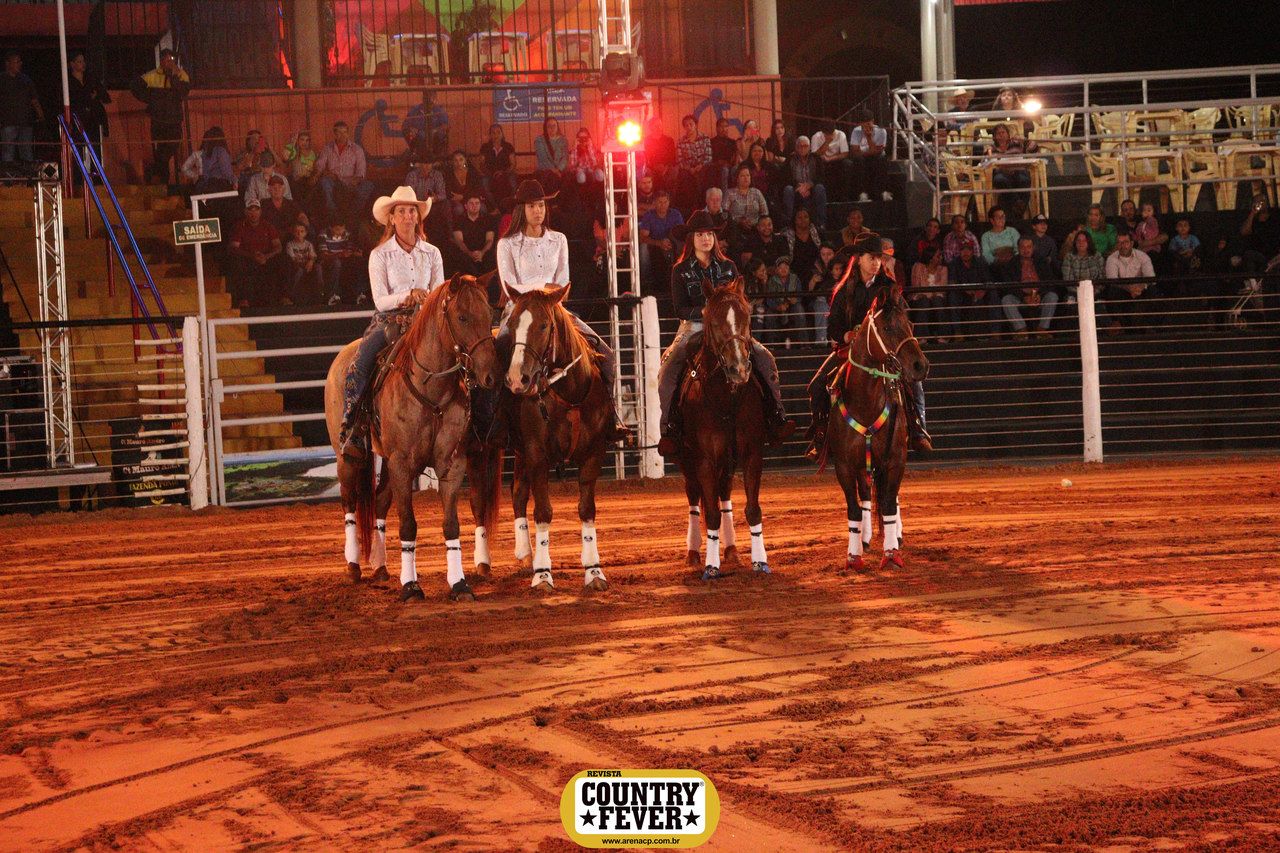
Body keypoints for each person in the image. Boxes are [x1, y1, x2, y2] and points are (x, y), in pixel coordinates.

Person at [493, 179, 631, 444]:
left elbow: (563, 281)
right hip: (519, 312)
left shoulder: (558, 240)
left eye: (541, 205)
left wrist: (549, 292)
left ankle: (612, 416)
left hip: (554, 311)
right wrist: (544, 287)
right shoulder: (507, 244)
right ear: (522, 209)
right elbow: (510, 286)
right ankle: (496, 421)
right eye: (532, 206)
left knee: (607, 356)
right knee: (497, 353)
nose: (538, 211)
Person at [656, 209, 795, 454]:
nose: (706, 239)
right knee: (668, 368)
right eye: (700, 234)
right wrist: (705, 312)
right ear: (691, 239)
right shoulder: (680, 270)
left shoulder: (728, 267)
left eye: (709, 234)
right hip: (694, 327)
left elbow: (740, 300)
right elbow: (679, 309)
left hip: (730, 329)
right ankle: (669, 427)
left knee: (765, 357)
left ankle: (776, 415)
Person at [337, 186, 445, 458]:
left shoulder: (432, 252)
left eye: (412, 211)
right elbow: (380, 300)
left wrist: (426, 299)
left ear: (418, 217)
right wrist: (408, 295)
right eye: (402, 211)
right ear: (392, 219)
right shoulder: (380, 254)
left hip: (426, 320)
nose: (408, 216)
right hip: (390, 319)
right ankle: (354, 426)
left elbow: (439, 291)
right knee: (360, 363)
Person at [806, 233, 931, 457]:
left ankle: (918, 429)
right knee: (817, 385)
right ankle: (822, 434)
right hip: (851, 350)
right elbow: (833, 325)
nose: (876, 263)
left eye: (878, 258)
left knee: (914, 383)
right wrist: (846, 335)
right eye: (871, 257)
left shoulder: (889, 287)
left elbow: (901, 318)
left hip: (886, 350)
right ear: (858, 259)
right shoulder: (844, 290)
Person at [129, 48, 188, 185]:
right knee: (160, 151)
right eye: (167, 60)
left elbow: (183, 93)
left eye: (172, 60)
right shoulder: (152, 76)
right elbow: (135, 87)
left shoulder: (181, 75)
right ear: (161, 61)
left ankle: (155, 172)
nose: (170, 63)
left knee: (170, 148)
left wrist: (174, 77)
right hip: (158, 121)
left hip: (174, 121)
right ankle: (163, 182)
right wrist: (151, 99)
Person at [315, 121, 375, 227]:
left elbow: (361, 172)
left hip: (351, 182)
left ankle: (353, 214)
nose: (342, 135)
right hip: (335, 182)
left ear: (348, 133)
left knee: (368, 185)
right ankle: (333, 212)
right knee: (324, 182)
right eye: (339, 132)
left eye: (344, 132)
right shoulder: (327, 148)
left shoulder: (357, 149)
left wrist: (355, 180)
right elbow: (319, 167)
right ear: (334, 134)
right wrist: (326, 173)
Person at [997, 236, 1060, 337]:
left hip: (1040, 295)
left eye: (1029, 247)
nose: (1026, 250)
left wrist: (1040, 295)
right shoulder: (1011, 264)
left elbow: (1050, 282)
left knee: (1053, 296)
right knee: (1006, 299)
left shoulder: (1042, 261)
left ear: (1033, 248)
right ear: (1018, 248)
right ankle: (1021, 330)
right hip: (1020, 297)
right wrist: (1024, 297)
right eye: (1023, 247)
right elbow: (1009, 286)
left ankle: (1042, 329)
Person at [227, 199, 284, 309]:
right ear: (245, 212)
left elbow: (278, 246)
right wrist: (252, 256)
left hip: (266, 258)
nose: (253, 213)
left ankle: (283, 298)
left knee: (283, 260)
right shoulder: (240, 226)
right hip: (247, 258)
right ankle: (243, 299)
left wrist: (266, 256)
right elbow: (234, 247)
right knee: (237, 262)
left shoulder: (268, 225)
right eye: (250, 210)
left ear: (260, 212)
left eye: (256, 210)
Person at [1102, 231, 1157, 332]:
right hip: (1122, 290)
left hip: (1140, 289)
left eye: (1125, 242)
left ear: (1131, 243)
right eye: (1119, 242)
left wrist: (1140, 287)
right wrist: (1129, 288)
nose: (1122, 245)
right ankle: (1122, 327)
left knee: (1153, 290)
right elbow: (1112, 280)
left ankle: (1147, 327)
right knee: (1112, 291)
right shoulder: (1111, 258)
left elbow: (1151, 278)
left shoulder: (1142, 256)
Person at [982, 123, 1037, 218]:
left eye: (1003, 132)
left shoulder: (1016, 143)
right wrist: (988, 156)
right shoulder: (991, 149)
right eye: (998, 133)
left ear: (1008, 134)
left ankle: (1017, 210)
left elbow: (1034, 149)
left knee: (1024, 180)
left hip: (1019, 170)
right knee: (999, 180)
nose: (1001, 135)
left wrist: (1024, 140)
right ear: (994, 137)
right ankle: (1018, 204)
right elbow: (984, 164)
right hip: (1002, 173)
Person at [947, 241, 999, 339]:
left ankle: (995, 331)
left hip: (979, 291)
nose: (965, 253)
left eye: (968, 250)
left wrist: (983, 291)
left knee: (993, 294)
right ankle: (958, 332)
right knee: (953, 296)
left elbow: (988, 280)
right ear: (959, 251)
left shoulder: (980, 262)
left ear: (972, 251)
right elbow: (952, 282)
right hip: (962, 293)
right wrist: (966, 290)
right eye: (963, 250)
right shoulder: (954, 264)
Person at [67, 51, 110, 163]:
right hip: (79, 121)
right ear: (72, 64)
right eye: (79, 61)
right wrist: (88, 97)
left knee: (96, 149)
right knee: (80, 149)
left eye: (83, 61)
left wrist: (96, 95)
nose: (83, 64)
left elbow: (105, 96)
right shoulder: (68, 82)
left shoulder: (91, 79)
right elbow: (74, 100)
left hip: (94, 119)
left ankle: (96, 171)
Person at [639, 190, 684, 292]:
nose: (663, 205)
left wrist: (671, 241)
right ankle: (645, 282)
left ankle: (680, 277)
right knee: (643, 247)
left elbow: (681, 233)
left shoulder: (676, 214)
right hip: (653, 245)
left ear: (669, 202)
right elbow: (643, 238)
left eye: (665, 202)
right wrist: (659, 243)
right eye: (660, 202)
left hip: (673, 244)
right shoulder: (648, 215)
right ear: (654, 203)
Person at [781, 135, 828, 228]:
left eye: (805, 146)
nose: (802, 148)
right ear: (796, 147)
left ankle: (821, 224)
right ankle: (788, 224)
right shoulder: (790, 159)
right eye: (800, 146)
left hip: (812, 189)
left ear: (809, 147)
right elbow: (785, 178)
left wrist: (809, 185)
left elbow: (822, 176)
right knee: (788, 189)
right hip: (796, 189)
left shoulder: (816, 158)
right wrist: (798, 186)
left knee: (820, 188)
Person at [849, 110, 892, 202]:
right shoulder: (856, 131)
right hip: (863, 157)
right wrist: (870, 151)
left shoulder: (881, 131)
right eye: (863, 124)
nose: (866, 126)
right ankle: (862, 193)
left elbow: (878, 152)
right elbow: (854, 152)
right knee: (858, 160)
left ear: (873, 121)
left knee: (882, 159)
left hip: (877, 157)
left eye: (868, 123)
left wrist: (869, 138)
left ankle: (883, 192)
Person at [450, 192, 496, 276]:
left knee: (491, 256)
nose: (474, 206)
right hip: (466, 253)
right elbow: (459, 241)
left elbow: (490, 240)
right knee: (460, 257)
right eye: (471, 203)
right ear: (466, 206)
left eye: (477, 203)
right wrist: (470, 253)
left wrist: (482, 253)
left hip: (483, 253)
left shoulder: (488, 219)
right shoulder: (459, 220)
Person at [724, 165, 769, 250]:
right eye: (742, 176)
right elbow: (724, 213)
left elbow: (765, 213)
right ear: (737, 179)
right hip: (736, 229)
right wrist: (738, 221)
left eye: (748, 175)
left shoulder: (757, 193)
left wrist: (757, 224)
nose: (746, 178)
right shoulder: (730, 193)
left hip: (755, 228)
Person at [909, 246, 948, 342]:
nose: (941, 258)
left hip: (937, 297)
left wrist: (931, 294)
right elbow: (916, 286)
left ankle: (943, 335)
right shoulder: (918, 267)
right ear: (930, 258)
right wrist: (930, 294)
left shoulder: (943, 269)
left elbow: (942, 288)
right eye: (938, 256)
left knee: (937, 301)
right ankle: (921, 337)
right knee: (924, 301)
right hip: (920, 296)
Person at [675, 114, 712, 210]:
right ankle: (691, 206)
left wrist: (700, 165)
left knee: (703, 174)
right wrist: (689, 168)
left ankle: (701, 205)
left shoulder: (705, 138)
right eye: (686, 125)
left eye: (691, 124)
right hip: (688, 169)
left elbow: (708, 157)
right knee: (684, 176)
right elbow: (680, 160)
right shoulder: (681, 141)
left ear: (695, 125)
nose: (689, 127)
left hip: (702, 167)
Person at [182, 126, 234, 194]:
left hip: (211, 183)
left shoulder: (215, 153)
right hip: (213, 183)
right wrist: (196, 176)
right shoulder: (199, 154)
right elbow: (184, 168)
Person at [320, 221, 361, 306]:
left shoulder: (347, 234)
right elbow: (324, 254)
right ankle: (332, 295)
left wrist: (355, 253)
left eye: (342, 229)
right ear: (331, 228)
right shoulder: (323, 235)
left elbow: (349, 250)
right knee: (337, 263)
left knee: (357, 262)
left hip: (346, 260)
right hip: (330, 261)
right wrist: (339, 254)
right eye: (337, 229)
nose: (340, 232)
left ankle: (358, 294)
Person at [766, 255, 804, 348]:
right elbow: (769, 299)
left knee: (799, 311)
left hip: (792, 305)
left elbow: (800, 294)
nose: (783, 269)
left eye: (786, 267)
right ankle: (771, 345)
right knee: (769, 316)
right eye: (781, 267)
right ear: (776, 269)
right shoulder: (771, 281)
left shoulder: (795, 279)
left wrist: (796, 300)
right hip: (777, 305)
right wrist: (777, 307)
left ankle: (803, 343)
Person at [1061, 230, 1105, 301]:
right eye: (1078, 240)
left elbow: (1102, 278)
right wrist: (1081, 293)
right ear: (1075, 242)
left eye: (1084, 240)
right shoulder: (1069, 257)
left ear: (1089, 242)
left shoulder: (1097, 256)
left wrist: (1093, 292)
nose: (1081, 243)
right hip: (1074, 294)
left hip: (1095, 293)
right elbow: (1068, 281)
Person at [284, 222, 321, 304]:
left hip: (307, 264)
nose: (299, 233)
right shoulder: (290, 244)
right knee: (299, 271)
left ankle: (319, 293)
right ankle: (290, 295)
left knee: (318, 267)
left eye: (302, 231)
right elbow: (292, 258)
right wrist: (303, 263)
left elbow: (313, 256)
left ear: (305, 233)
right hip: (296, 265)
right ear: (293, 233)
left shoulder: (308, 244)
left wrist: (311, 261)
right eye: (296, 231)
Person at [479, 123, 516, 203]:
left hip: (506, 172)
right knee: (484, 185)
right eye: (493, 133)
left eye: (498, 132)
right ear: (490, 135)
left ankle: (508, 204)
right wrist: (491, 174)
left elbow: (513, 164)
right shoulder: (485, 147)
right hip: (489, 173)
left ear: (502, 134)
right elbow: (481, 164)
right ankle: (494, 206)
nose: (496, 135)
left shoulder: (508, 146)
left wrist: (504, 173)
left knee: (513, 185)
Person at [444, 149, 486, 220]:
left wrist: (463, 196)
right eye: (455, 160)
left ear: (465, 160)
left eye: (461, 160)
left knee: (482, 208)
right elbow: (447, 190)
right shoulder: (449, 174)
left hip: (471, 198)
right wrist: (454, 197)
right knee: (459, 209)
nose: (458, 163)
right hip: (456, 201)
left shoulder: (472, 172)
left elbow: (478, 189)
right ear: (452, 162)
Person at [282, 129, 318, 199]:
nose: (304, 143)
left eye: (307, 140)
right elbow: (285, 157)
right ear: (298, 141)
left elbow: (315, 168)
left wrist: (314, 177)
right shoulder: (294, 152)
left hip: (309, 180)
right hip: (297, 180)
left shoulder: (312, 153)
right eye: (302, 140)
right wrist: (293, 142)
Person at [642, 116, 677, 189]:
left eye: (660, 125)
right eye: (656, 126)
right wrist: (654, 167)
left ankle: (669, 194)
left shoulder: (669, 140)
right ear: (651, 127)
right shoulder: (647, 141)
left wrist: (665, 167)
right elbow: (646, 156)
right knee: (647, 173)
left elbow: (672, 156)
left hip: (667, 166)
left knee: (673, 171)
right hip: (652, 167)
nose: (659, 128)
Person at [534, 117, 568, 188]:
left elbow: (565, 157)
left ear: (557, 127)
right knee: (552, 179)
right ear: (545, 128)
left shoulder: (563, 140)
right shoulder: (539, 140)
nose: (552, 128)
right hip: (545, 170)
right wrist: (555, 171)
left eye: (554, 125)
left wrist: (559, 169)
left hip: (560, 170)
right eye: (549, 126)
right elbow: (543, 158)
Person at [709, 117, 739, 192]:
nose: (724, 129)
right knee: (725, 170)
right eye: (721, 126)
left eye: (726, 126)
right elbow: (711, 158)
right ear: (717, 128)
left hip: (730, 165)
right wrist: (720, 163)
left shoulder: (732, 142)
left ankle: (735, 193)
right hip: (717, 166)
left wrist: (734, 164)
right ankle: (725, 195)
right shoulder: (712, 142)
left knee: (735, 169)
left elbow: (736, 154)